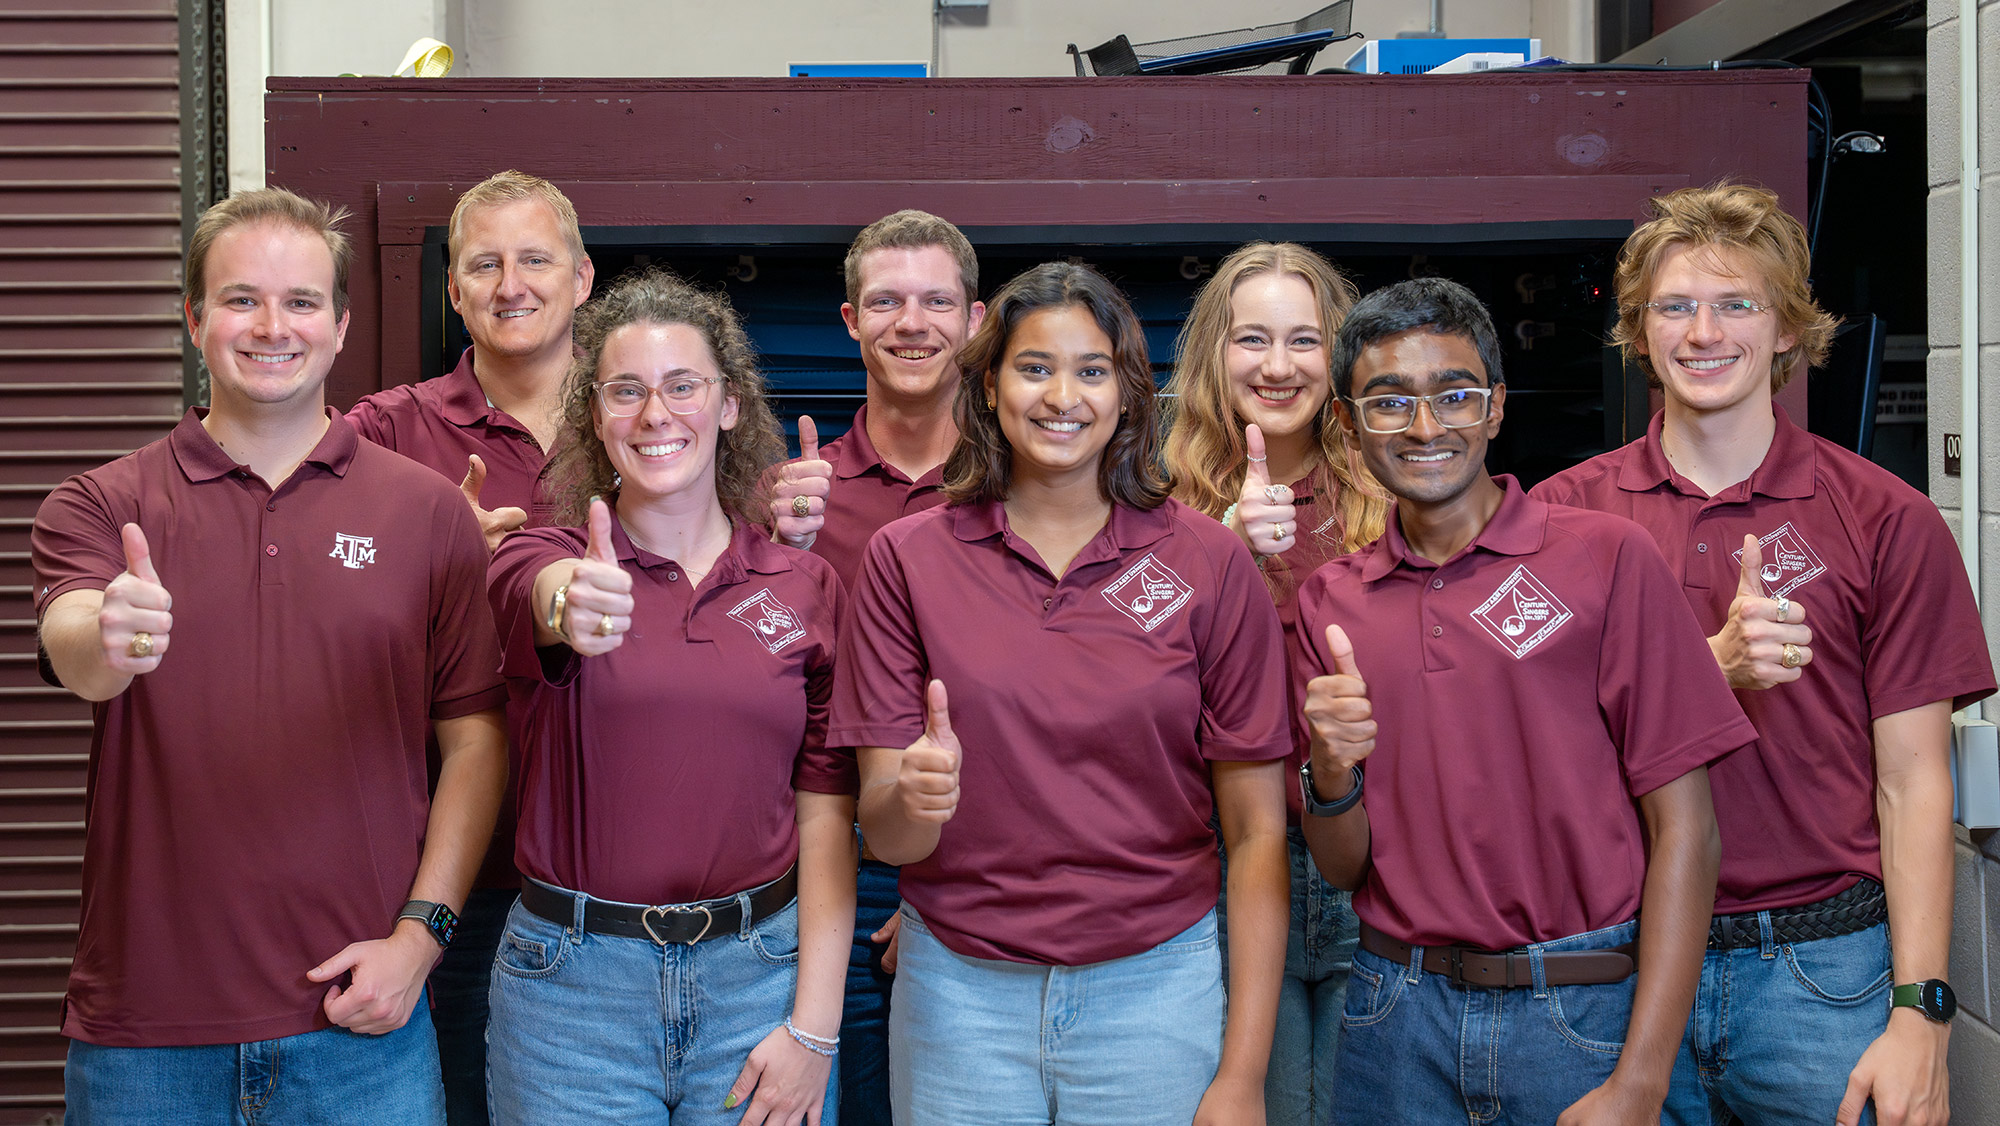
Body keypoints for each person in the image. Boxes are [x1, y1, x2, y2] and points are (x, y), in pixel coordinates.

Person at [33, 187, 508, 1122]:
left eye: (299, 302)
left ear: (338, 326)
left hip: (362, 1028)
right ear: (195, 320)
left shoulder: (428, 513)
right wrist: (113, 632)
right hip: (145, 1041)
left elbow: (476, 742)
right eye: (241, 298)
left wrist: (421, 941)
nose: (270, 326)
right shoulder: (99, 504)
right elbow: (77, 647)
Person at [1532, 182, 1996, 1126]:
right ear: (1640, 331)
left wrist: (1923, 1015)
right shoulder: (1559, 520)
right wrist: (1710, 669)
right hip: (1617, 971)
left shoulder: (1885, 519)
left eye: (1737, 302)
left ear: (1787, 328)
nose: (1705, 332)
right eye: (1675, 306)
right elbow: (1537, 758)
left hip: (1823, 975)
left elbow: (1913, 785)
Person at [831, 260, 1290, 1125]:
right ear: (991, 385)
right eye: (1034, 367)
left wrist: (1244, 1073)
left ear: (1126, 392)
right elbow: (888, 837)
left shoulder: (1205, 560)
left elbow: (1260, 833)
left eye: (1092, 370)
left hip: (1156, 989)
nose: (1062, 396)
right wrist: (915, 799)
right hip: (959, 995)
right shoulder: (907, 558)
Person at [1297, 277, 1752, 1125]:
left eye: (1455, 396)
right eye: (1389, 402)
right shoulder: (1332, 602)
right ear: (1350, 426)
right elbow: (1341, 865)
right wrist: (1330, 769)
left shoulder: (1606, 557)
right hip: (1394, 1013)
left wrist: (1643, 1080)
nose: (1427, 427)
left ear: (1497, 408)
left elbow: (1688, 829)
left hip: (1577, 1013)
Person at [484, 267, 854, 1124]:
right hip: (570, 992)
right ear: (596, 417)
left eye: (683, 386)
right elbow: (542, 597)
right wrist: (571, 598)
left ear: (728, 405)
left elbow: (826, 819)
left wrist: (815, 1031)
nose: (656, 414)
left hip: (760, 980)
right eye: (627, 391)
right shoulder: (536, 556)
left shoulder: (804, 585)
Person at [343, 168, 595, 1126]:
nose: (510, 284)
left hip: (602, 874)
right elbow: (301, 591)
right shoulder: (380, 434)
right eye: (483, 264)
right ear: (452, 290)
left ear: (582, 279)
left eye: (535, 259)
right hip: (441, 874)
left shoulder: (648, 423)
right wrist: (422, 561)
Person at [765, 208, 984, 1125]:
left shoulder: (1022, 486)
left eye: (938, 301)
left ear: (975, 321)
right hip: (818, 859)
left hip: (977, 861)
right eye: (886, 301)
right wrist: (777, 552)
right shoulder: (787, 494)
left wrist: (936, 890)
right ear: (850, 321)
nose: (912, 322)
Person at [1162, 242, 1387, 1126]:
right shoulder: (1146, 495)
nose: (1278, 365)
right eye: (1253, 338)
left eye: (1305, 340)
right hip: (1219, 862)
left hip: (1370, 857)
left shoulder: (1399, 486)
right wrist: (1221, 545)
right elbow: (1108, 673)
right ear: (1215, 351)